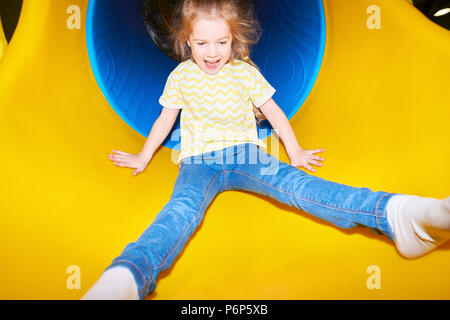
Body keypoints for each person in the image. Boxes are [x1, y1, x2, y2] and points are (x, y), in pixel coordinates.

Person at [82, 0, 450, 300]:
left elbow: (273, 113)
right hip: (197, 162)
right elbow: (164, 121)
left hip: (247, 154)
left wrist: (296, 150)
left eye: (222, 42)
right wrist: (143, 157)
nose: (212, 53)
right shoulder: (180, 77)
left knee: (299, 188)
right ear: (186, 41)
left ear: (234, 39)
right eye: (202, 43)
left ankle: (397, 215)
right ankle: (126, 278)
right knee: (180, 212)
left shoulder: (244, 72)